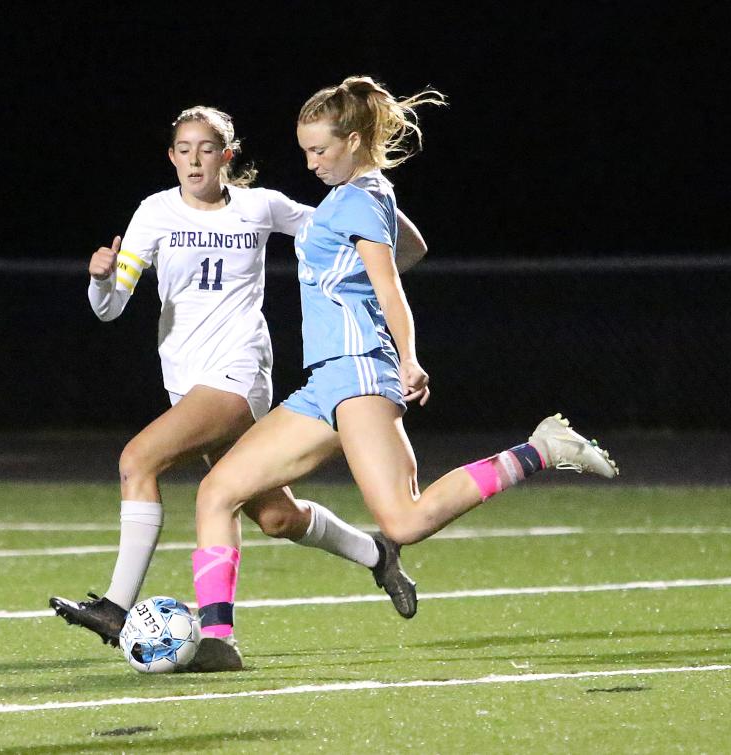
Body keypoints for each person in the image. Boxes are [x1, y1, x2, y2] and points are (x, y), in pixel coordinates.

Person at [191, 76, 620, 671]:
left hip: (362, 373)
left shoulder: (361, 200)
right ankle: (217, 641)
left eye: (320, 150)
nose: (310, 163)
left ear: (356, 140)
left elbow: (392, 285)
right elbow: (410, 247)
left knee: (405, 520)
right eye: (306, 151)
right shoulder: (365, 197)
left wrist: (408, 356)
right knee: (218, 490)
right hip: (325, 382)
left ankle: (541, 449)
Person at [49, 106, 430, 664]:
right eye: (183, 149)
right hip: (186, 382)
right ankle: (377, 554)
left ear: (227, 156)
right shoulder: (154, 213)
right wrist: (100, 281)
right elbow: (110, 308)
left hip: (237, 376)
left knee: (138, 460)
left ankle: (115, 605)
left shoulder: (261, 205)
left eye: (206, 148)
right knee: (276, 517)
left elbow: (362, 226)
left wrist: (391, 229)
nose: (193, 159)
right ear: (172, 157)